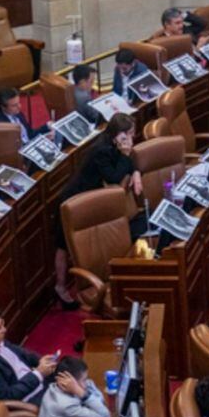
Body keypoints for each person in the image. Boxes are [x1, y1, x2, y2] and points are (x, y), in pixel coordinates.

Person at [57, 114, 142, 309]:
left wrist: (135, 171)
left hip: (91, 197)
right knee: (62, 244)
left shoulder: (115, 145)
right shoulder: (101, 150)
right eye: (128, 133)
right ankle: (60, 287)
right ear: (117, 134)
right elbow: (113, 177)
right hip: (73, 199)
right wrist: (126, 157)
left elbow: (130, 161)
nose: (132, 137)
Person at [0, 304, 57, 404]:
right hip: (30, 397)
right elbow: (7, 396)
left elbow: (24, 355)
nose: (5, 329)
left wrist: (41, 361)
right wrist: (38, 374)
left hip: (36, 380)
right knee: (70, 401)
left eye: (3, 324)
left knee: (70, 366)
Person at [36, 356, 109, 417]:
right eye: (84, 380)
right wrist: (80, 392)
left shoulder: (55, 385)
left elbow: (99, 396)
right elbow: (105, 415)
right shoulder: (66, 406)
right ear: (67, 383)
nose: (87, 383)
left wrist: (81, 389)